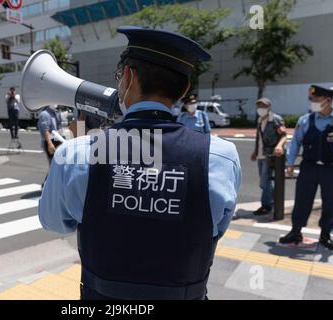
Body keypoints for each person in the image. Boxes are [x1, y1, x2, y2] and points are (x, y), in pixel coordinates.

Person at [39, 26, 241, 300]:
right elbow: (215, 229)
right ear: (184, 90)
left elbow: (54, 222)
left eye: (120, 77)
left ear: (129, 78)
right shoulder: (220, 157)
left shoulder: (76, 154)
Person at [280, 85, 333, 249]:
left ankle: (325, 234)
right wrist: (289, 162)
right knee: (302, 200)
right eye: (311, 99)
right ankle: (296, 231)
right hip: (308, 167)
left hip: (330, 169)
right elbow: (295, 142)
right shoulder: (305, 120)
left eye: (316, 99)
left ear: (328, 100)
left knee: (330, 202)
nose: (313, 103)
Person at [250, 98, 287, 215]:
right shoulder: (260, 120)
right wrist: (255, 151)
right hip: (261, 154)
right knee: (264, 182)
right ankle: (272, 202)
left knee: (265, 182)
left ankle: (266, 206)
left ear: (269, 107)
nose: (261, 109)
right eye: (259, 106)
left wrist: (279, 146)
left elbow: (284, 135)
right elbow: (259, 137)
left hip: (271, 155)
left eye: (263, 106)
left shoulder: (275, 119)